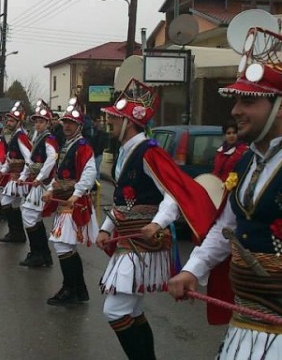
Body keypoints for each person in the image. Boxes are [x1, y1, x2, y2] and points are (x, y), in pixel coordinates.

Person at [168, 28, 282, 359]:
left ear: (281, 105)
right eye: (237, 100)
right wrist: (192, 269)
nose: (236, 110)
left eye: (248, 101)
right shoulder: (245, 163)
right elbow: (226, 229)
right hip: (245, 326)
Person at [97, 79, 216, 359]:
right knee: (132, 309)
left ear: (130, 122)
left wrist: (158, 223)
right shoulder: (126, 151)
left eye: (115, 118)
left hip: (142, 241)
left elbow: (173, 193)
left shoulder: (150, 152)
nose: (109, 122)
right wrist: (106, 228)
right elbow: (122, 200)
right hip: (130, 239)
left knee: (115, 310)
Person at [41, 97, 97, 306]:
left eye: (71, 123)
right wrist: (49, 189)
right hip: (64, 200)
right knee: (66, 247)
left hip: (73, 202)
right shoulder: (68, 145)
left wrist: (77, 194)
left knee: (63, 246)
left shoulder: (82, 145)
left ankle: (71, 288)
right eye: (64, 122)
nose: (66, 126)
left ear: (79, 125)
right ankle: (77, 289)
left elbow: (89, 172)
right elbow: (58, 175)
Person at [18, 100, 58, 267]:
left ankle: (38, 253)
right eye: (36, 122)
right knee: (32, 216)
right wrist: (23, 175)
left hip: (43, 183)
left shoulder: (48, 138)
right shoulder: (38, 137)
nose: (38, 125)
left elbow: (52, 159)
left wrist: (40, 177)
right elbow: (31, 161)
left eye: (41, 122)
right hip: (37, 180)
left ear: (48, 123)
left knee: (29, 214)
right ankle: (42, 253)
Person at [0, 101, 32, 243]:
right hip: (13, 175)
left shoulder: (20, 136)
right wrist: (3, 170)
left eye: (12, 121)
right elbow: (9, 157)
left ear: (19, 122)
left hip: (17, 177)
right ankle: (17, 233)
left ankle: (16, 232)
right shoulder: (14, 136)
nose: (8, 123)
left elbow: (28, 158)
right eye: (8, 120)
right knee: (14, 204)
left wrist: (23, 175)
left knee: (5, 202)